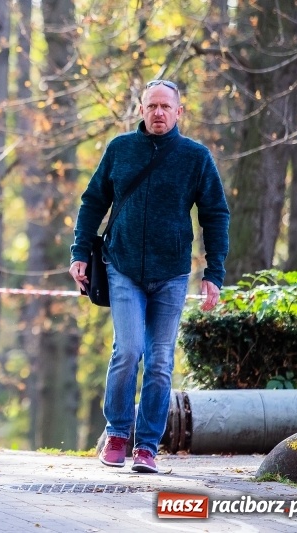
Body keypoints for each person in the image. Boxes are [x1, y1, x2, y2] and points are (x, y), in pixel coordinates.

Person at [69, 80, 229, 473]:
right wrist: (79, 253)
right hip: (121, 267)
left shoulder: (195, 157)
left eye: (165, 107)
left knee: (159, 360)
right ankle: (118, 434)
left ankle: (148, 447)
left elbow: (215, 215)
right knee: (128, 351)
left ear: (179, 112)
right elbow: (93, 201)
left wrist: (214, 273)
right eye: (152, 105)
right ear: (141, 109)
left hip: (172, 273)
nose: (158, 112)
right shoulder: (120, 150)